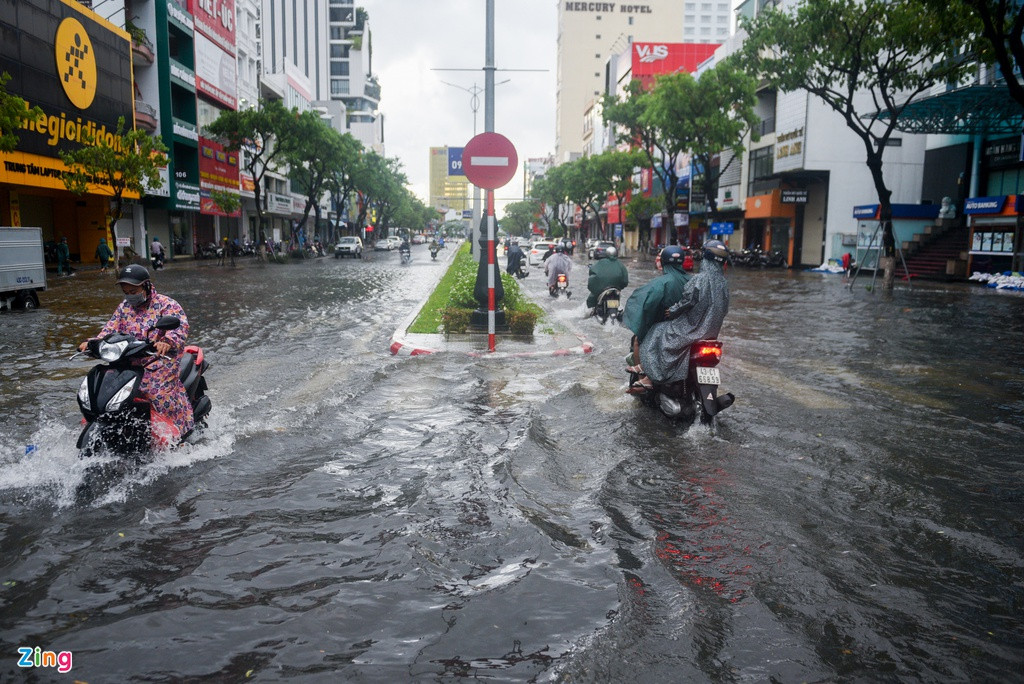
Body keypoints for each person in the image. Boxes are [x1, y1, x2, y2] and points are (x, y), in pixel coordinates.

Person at [77, 264, 195, 440]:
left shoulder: (166, 305)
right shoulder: (124, 307)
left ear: (146, 286)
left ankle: (178, 433)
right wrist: (92, 343)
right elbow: (110, 329)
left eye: (134, 291)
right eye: (126, 292)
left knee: (157, 393)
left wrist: (167, 341)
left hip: (158, 362)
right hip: (128, 362)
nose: (130, 296)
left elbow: (180, 327)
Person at [628, 240, 731, 394]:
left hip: (693, 329)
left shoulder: (699, 279)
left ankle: (651, 374)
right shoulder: (723, 283)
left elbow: (688, 300)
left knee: (657, 331)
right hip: (712, 332)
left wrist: (673, 310)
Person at [622, 245, 693, 378]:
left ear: (663, 262)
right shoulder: (694, 281)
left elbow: (647, 306)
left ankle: (642, 378)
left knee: (638, 340)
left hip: (667, 330)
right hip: (692, 331)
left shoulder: (660, 283)